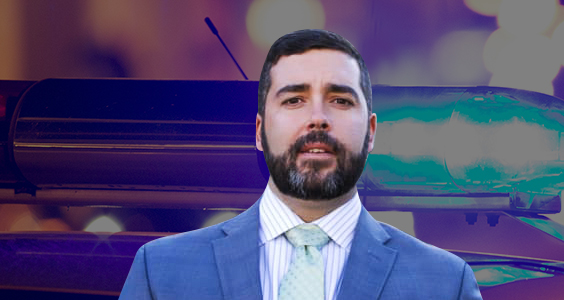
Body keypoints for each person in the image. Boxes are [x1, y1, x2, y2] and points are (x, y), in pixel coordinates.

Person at [119, 29, 482, 300]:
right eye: (294, 100)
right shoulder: (161, 272)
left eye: (340, 100)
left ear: (371, 132)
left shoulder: (446, 284)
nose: (318, 118)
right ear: (259, 132)